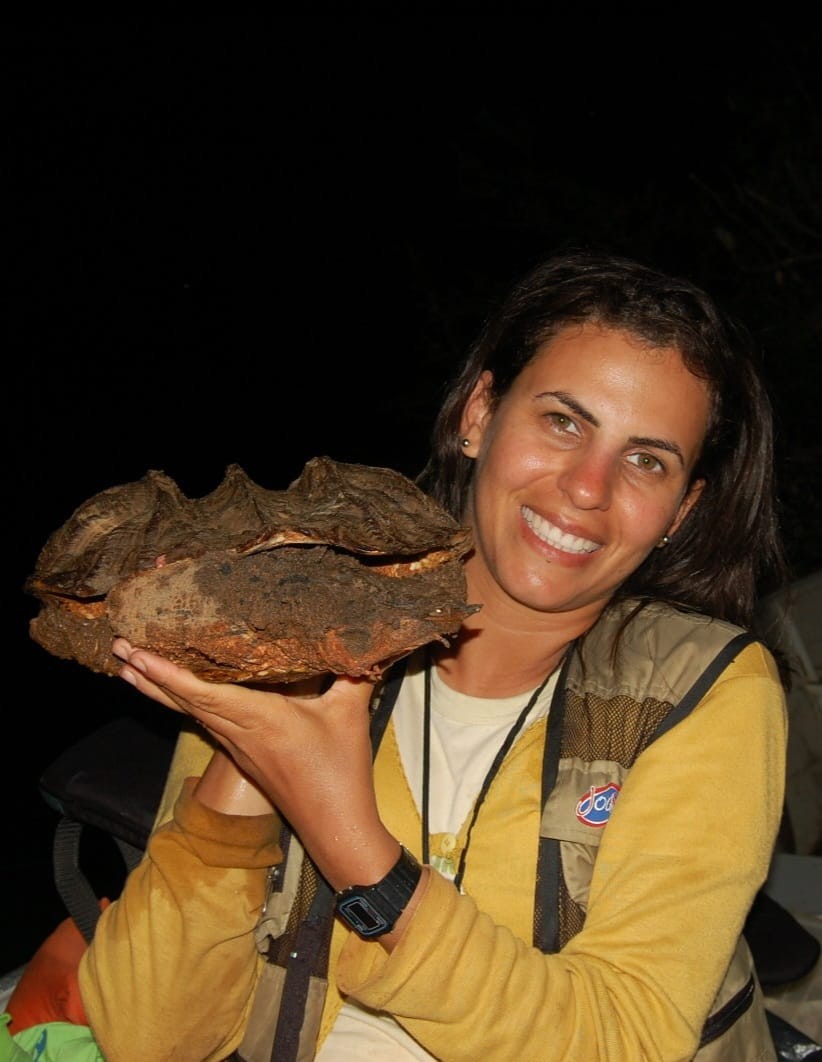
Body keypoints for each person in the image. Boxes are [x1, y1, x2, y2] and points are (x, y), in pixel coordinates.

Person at [78, 250, 789, 1061]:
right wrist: (255, 737)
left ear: (680, 511)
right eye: (563, 421)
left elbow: (622, 1039)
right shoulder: (301, 621)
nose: (589, 487)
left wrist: (348, 839)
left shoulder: (701, 691)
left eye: (646, 460)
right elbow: (148, 1040)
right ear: (480, 413)